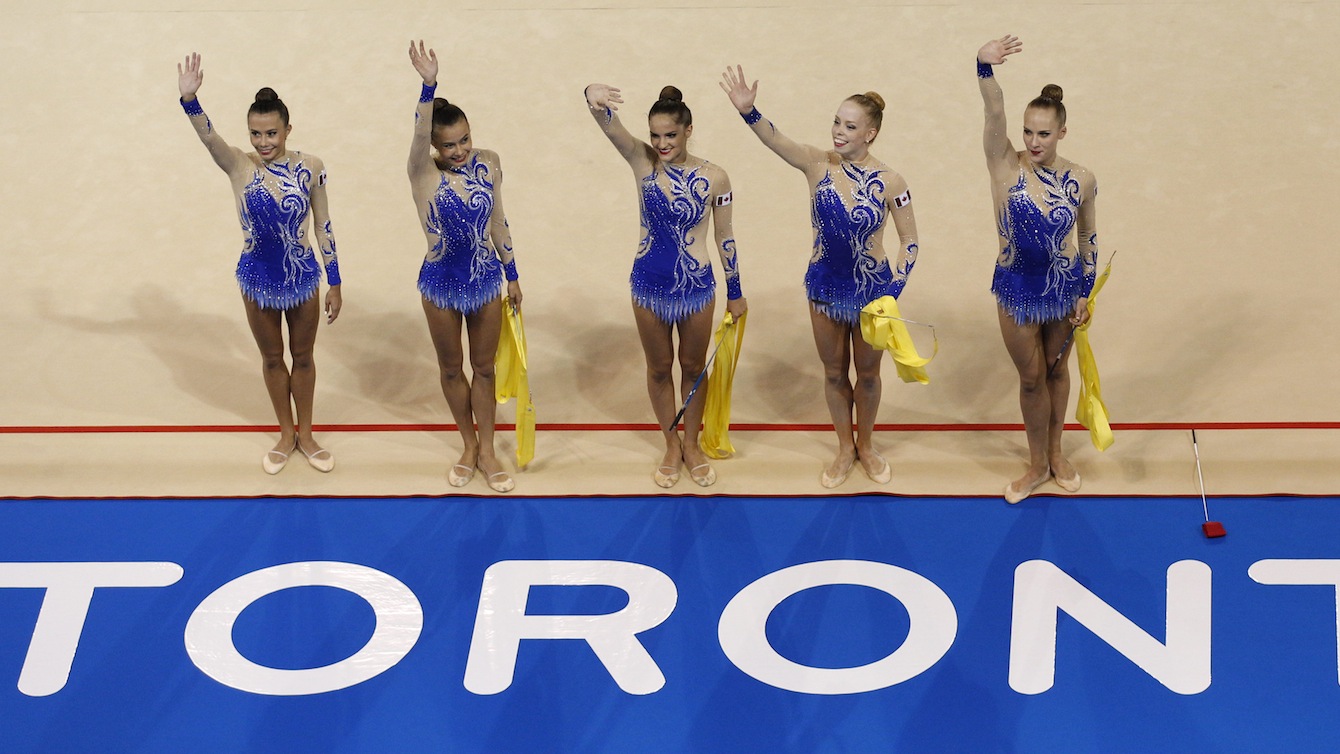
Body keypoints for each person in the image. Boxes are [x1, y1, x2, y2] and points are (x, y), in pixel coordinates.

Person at [720, 65, 919, 488]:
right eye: (836, 122)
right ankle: (845, 447)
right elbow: (777, 140)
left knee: (868, 374)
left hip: (872, 293)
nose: (838, 132)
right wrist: (749, 112)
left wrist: (894, 290)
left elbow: (911, 241)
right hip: (825, 287)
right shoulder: (817, 163)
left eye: (850, 126)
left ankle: (867, 445)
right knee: (833, 372)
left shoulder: (891, 181)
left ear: (870, 134)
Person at [177, 53, 342, 475]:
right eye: (255, 133)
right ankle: (286, 435)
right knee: (272, 359)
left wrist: (336, 281)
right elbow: (209, 139)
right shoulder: (239, 165)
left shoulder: (311, 168)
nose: (263, 142)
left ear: (287, 129)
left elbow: (323, 224)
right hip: (258, 278)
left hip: (302, 277)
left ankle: (307, 434)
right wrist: (190, 100)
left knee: (303, 357)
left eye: (271, 133)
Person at [583, 82, 747, 488]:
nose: (661, 144)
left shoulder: (715, 177)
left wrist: (736, 291)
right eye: (655, 136)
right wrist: (592, 96)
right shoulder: (643, 161)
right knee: (659, 368)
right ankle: (671, 443)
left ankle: (691, 444)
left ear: (688, 130)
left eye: (670, 135)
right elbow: (611, 128)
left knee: (692, 366)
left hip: (697, 288)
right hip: (648, 285)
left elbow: (724, 236)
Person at [975, 35, 1099, 503]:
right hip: (1016, 288)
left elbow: (1087, 238)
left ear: (1062, 132)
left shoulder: (1081, 179)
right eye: (1028, 132)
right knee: (1031, 378)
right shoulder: (1005, 165)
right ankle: (1035, 465)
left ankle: (1056, 455)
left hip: (1064, 289)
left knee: (1057, 371)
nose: (1033, 142)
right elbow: (994, 115)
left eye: (1043, 134)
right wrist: (984, 68)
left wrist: (1085, 291)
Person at [408, 41, 522, 493]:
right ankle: (469, 445)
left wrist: (513, 274)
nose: (459, 151)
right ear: (434, 146)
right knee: (453, 369)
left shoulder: (489, 164)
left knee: (485, 368)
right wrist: (428, 86)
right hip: (440, 283)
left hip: (485, 279)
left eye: (465, 140)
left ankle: (489, 450)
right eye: (449, 144)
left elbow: (498, 220)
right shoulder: (423, 172)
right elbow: (418, 135)